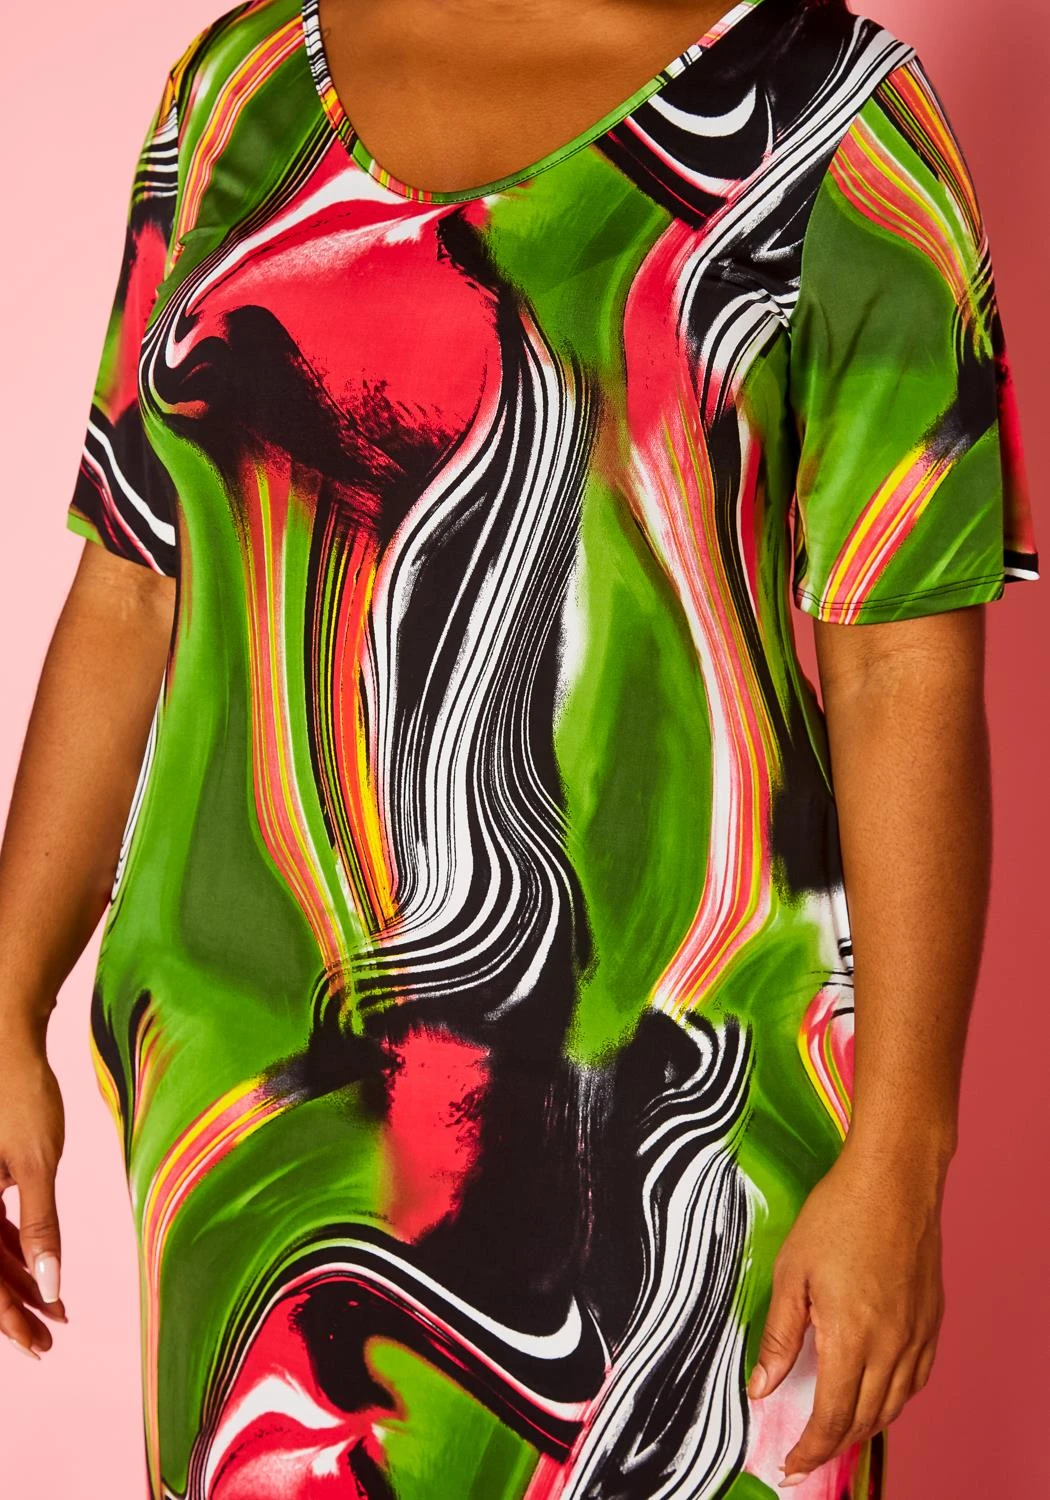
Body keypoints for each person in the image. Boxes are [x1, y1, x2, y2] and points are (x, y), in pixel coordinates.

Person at [0, 0, 1040, 1493]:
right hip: (266, 1122)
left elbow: (901, 669)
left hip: (691, 1120)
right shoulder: (238, 90)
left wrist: (900, 1158)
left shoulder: (831, 121)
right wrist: (6, 998)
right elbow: (132, 580)